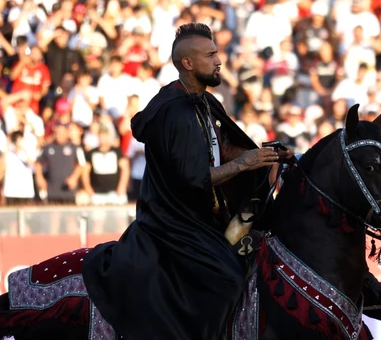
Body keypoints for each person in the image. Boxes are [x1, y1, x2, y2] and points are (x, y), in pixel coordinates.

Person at [82, 23, 288, 340]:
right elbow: (193, 180)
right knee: (226, 277)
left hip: (203, 216)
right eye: (210, 55)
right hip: (173, 223)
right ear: (188, 64)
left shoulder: (205, 102)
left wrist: (266, 156)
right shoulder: (175, 112)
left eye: (217, 53)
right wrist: (247, 162)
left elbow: (224, 150)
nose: (219, 61)